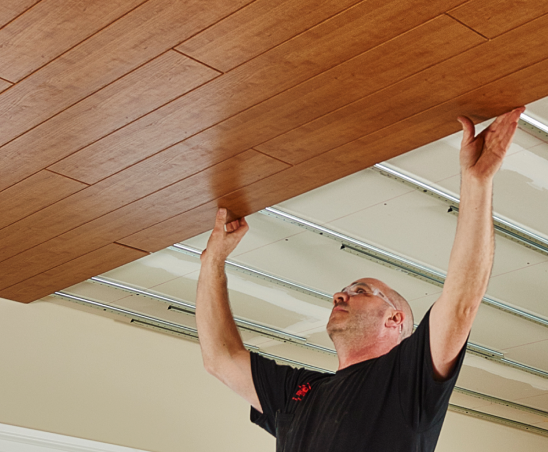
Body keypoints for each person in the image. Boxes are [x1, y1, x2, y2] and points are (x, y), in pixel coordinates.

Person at [194, 107, 524, 452]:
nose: (339, 295)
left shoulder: (404, 382)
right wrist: (212, 261)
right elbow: (219, 358)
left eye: (360, 291)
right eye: (347, 290)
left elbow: (460, 303)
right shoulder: (298, 394)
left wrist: (477, 183)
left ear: (395, 319)